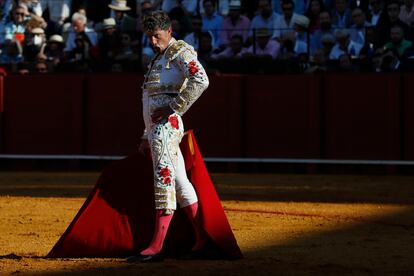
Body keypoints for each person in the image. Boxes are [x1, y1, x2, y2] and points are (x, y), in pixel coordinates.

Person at [126, 10, 209, 263]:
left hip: (166, 127)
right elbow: (149, 101)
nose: (152, 42)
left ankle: (157, 246)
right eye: (149, 37)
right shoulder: (160, 58)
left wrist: (175, 108)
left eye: (156, 36)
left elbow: (201, 79)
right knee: (181, 184)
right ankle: (201, 240)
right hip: (157, 129)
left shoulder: (180, 52)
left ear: (169, 31)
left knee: (163, 180)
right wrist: (144, 135)